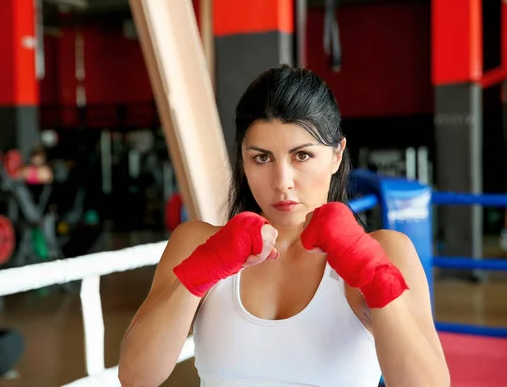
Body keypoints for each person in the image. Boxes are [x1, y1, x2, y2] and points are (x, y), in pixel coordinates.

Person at [118, 65, 450, 387]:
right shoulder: (196, 242)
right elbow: (136, 376)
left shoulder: (388, 251)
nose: (282, 182)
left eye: (302, 156)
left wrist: (374, 274)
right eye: (262, 158)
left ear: (337, 155)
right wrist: (202, 269)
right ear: (243, 161)